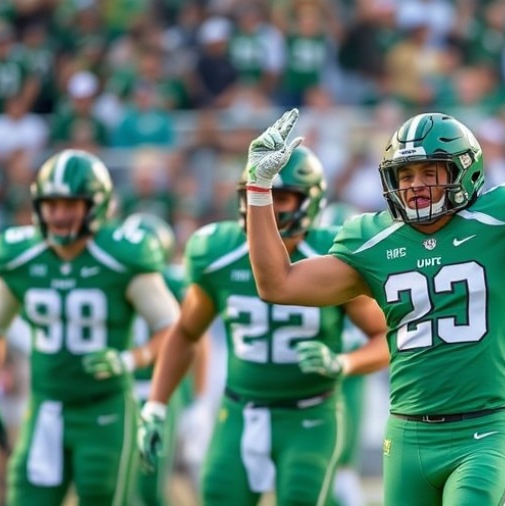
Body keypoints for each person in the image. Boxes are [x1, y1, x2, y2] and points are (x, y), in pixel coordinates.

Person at [245, 27, 505, 505]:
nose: (414, 185)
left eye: (429, 172)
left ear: (464, 172)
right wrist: (258, 191)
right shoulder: (372, 239)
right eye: (405, 174)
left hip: (482, 431)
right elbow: (278, 283)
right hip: (406, 433)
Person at [136, 146, 389, 506]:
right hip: (239, 412)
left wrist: (344, 363)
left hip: (310, 415)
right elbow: (186, 332)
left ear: (308, 201)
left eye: (281, 196)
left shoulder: (332, 255)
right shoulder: (218, 252)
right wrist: (157, 405)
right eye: (261, 194)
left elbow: (385, 336)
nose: (268, 206)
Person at [0, 149, 179, 505]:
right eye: (51, 204)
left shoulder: (121, 256)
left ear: (96, 206)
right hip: (44, 408)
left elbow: (175, 328)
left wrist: (132, 359)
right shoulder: (19, 256)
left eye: (70, 205)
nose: (58, 215)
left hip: (104, 410)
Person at [122, 212, 211, 506]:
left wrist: (198, 400)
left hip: (158, 393)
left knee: (151, 486)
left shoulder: (174, 281)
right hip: (120, 393)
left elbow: (199, 341)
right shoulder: (112, 277)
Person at [316, 202, 370, 506]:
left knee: (343, 465)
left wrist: (344, 357)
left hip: (350, 380)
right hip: (320, 385)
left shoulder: (366, 273)